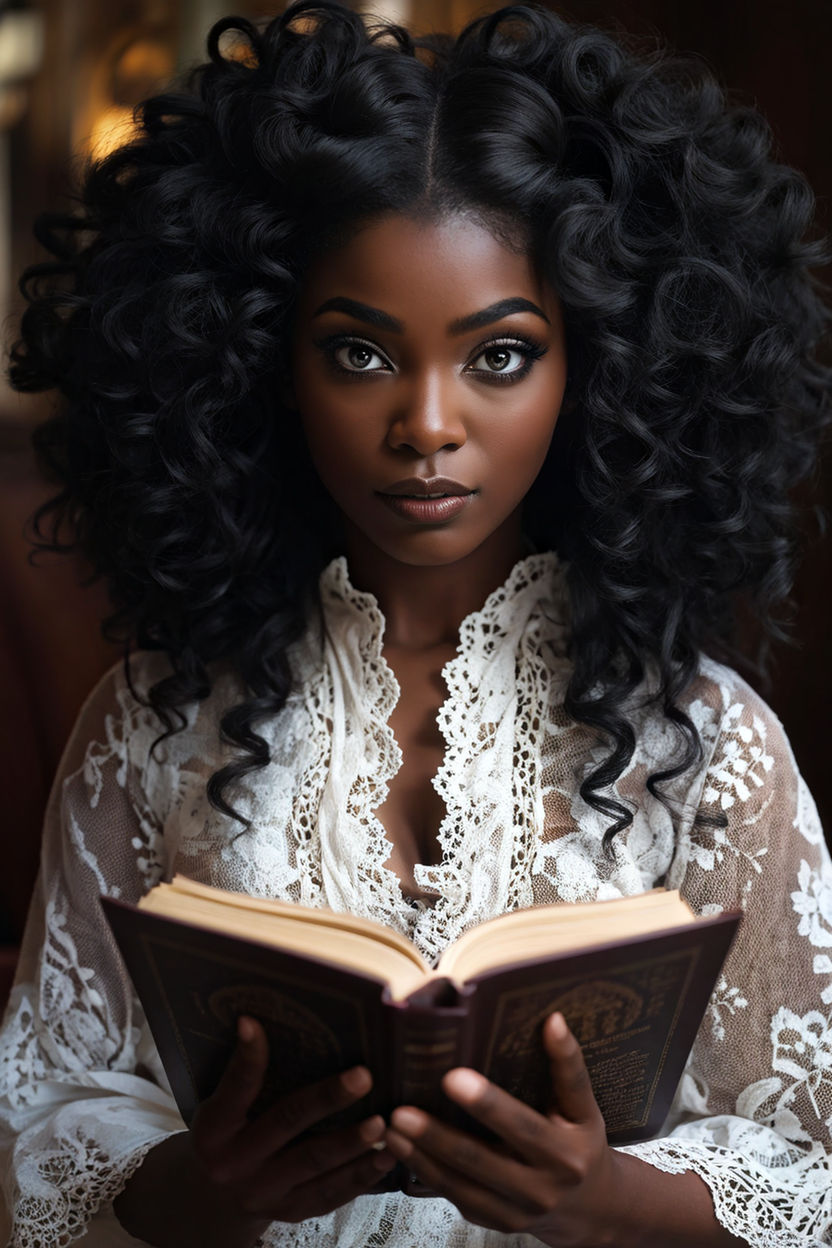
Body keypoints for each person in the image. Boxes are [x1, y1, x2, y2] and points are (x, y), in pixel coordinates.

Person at [2, 1, 831, 1244]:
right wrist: (197, 1194)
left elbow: (809, 1166)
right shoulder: (154, 722)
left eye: (498, 356)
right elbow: (41, 1124)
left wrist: (601, 1201)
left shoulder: (710, 747)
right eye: (358, 354)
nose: (427, 424)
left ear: (599, 368)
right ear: (258, 363)